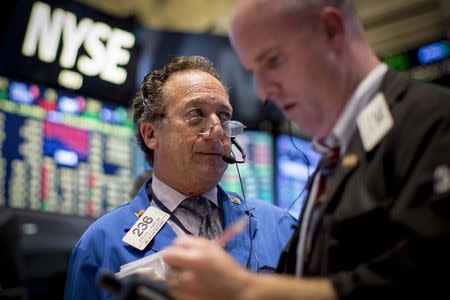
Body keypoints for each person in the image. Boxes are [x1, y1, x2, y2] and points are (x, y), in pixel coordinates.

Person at [163, 1, 450, 299]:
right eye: (253, 71)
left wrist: (246, 289)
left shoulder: (435, 123)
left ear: (331, 30)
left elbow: (427, 276)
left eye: (272, 61)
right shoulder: (337, 158)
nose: (262, 91)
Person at [64, 55, 296, 299]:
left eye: (224, 117)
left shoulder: (281, 226)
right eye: (196, 114)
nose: (217, 130)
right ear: (151, 134)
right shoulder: (101, 244)